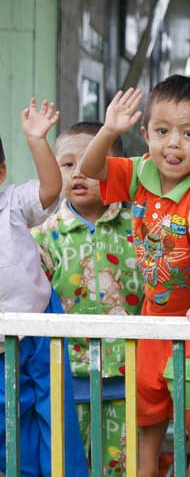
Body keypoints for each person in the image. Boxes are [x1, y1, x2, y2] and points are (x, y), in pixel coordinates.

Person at [80, 75, 190, 477]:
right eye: (162, 131)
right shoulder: (142, 171)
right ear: (145, 134)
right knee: (148, 413)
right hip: (152, 323)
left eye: (189, 134)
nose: (173, 144)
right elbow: (92, 171)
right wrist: (109, 130)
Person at [32, 122, 144, 474]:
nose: (79, 173)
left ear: (118, 168)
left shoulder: (139, 228)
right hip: (64, 377)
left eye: (92, 163)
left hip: (131, 375)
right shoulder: (41, 236)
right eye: (67, 164)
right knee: (65, 467)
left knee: (123, 469)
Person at [0, 98, 87, 476]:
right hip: (2, 338)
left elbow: (52, 189)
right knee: (8, 415)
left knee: (51, 411)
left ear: (1, 172)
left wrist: (37, 140)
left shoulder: (13, 201)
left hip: (38, 324)